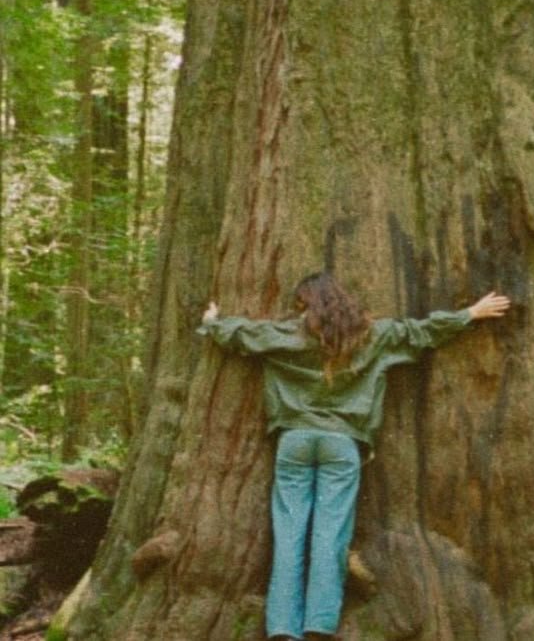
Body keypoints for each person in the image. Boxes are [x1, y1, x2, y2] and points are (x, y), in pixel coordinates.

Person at [198, 273, 511, 641]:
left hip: (294, 440)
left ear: (305, 304)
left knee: (289, 534)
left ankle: (283, 628)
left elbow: (241, 334)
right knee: (330, 535)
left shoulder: (286, 335)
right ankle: (318, 625)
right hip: (341, 444)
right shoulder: (370, 335)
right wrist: (469, 314)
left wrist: (212, 323)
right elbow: (418, 332)